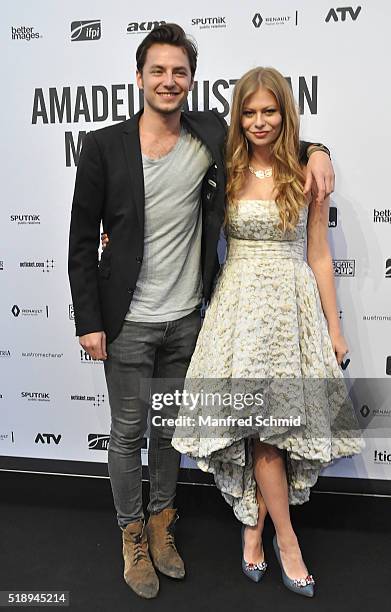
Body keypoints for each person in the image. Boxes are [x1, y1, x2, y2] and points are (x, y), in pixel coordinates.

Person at [68, 23, 335, 600]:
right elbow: (79, 243)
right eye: (158, 71)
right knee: (126, 433)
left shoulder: (209, 134)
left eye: (179, 72)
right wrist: (88, 320)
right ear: (139, 77)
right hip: (127, 322)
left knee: (167, 434)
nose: (169, 81)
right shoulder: (101, 146)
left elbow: (277, 137)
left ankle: (164, 525)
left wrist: (320, 151)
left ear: (191, 81)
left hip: (190, 317)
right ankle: (131, 535)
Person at [171, 67, 363, 598]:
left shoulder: (307, 170)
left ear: (285, 113)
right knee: (258, 428)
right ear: (239, 115)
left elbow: (319, 256)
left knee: (273, 429)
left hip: (288, 310)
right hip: (237, 311)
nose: (259, 122)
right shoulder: (224, 167)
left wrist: (335, 329)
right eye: (249, 112)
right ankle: (285, 537)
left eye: (269, 111)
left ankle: (256, 529)